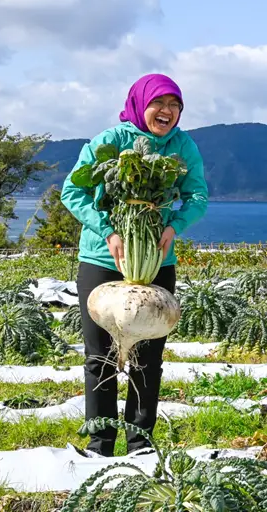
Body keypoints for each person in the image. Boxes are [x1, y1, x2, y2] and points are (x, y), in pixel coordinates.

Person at [61, 74, 208, 456]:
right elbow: (72, 191)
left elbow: (198, 197)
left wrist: (175, 226)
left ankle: (140, 442)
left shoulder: (183, 145)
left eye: (175, 105)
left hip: (156, 263)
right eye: (159, 103)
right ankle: (100, 442)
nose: (167, 112)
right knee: (99, 356)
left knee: (148, 358)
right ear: (141, 103)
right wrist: (109, 230)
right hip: (102, 260)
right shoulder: (111, 141)